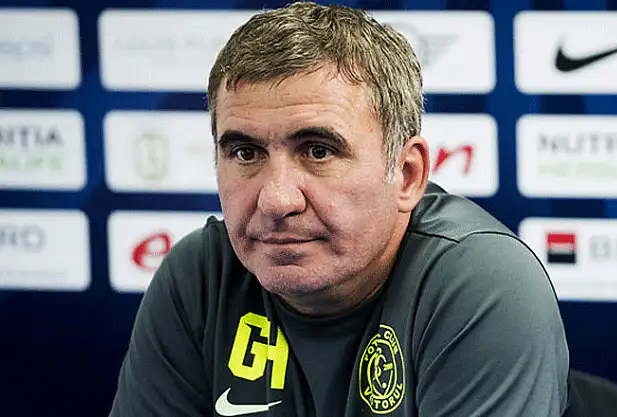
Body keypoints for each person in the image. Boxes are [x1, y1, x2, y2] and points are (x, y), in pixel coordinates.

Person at [108, 2, 570, 416]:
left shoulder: (481, 283)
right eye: (246, 153)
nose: (277, 200)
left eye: (318, 151)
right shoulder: (200, 277)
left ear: (407, 174)